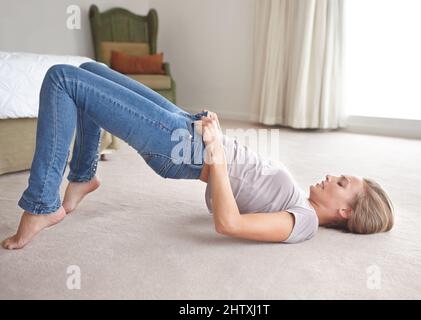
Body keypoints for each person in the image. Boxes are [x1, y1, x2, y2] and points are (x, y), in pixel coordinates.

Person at [1, 62, 394, 250]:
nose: (331, 176)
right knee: (89, 69)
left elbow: (229, 223)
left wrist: (217, 149)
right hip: (189, 129)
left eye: (341, 183)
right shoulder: (300, 201)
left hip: (179, 148)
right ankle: (84, 176)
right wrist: (214, 134)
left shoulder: (303, 222)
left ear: (345, 212)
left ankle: (41, 205)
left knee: (62, 79)